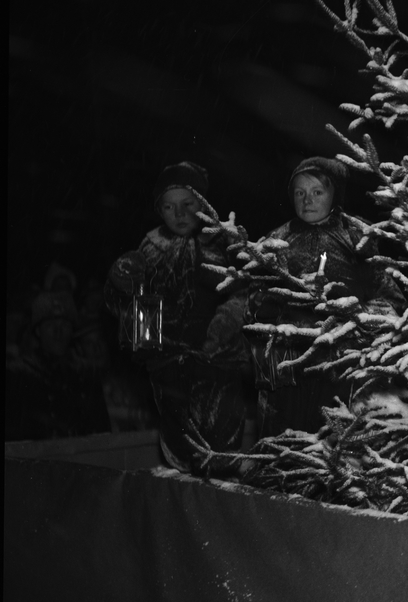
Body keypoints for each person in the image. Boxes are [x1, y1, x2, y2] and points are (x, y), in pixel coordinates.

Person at [106, 161, 249, 471]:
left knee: (221, 441)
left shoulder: (224, 243)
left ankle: (220, 488)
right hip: (169, 367)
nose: (179, 214)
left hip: (218, 364)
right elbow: (130, 306)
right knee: (179, 445)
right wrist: (121, 286)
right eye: (169, 207)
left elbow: (245, 293)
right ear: (159, 210)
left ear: (204, 204)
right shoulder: (151, 248)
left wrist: (226, 325)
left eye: (188, 204)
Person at [250, 156, 388, 437]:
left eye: (317, 192)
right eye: (300, 193)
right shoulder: (278, 239)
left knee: (333, 432)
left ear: (335, 194)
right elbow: (254, 296)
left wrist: (361, 320)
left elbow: (384, 292)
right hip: (288, 360)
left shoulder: (355, 236)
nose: (307, 200)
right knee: (287, 432)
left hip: (341, 358)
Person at [6, 291, 111, 440]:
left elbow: (102, 432)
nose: (58, 332)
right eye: (50, 325)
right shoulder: (17, 373)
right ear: (38, 331)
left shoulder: (86, 373)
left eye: (64, 325)